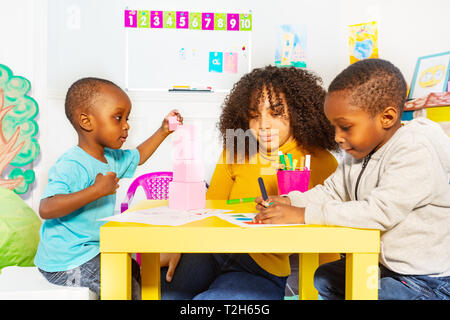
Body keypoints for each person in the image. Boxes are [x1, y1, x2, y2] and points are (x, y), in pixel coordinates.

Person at [254, 58, 450, 300]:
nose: (337, 137)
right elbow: (332, 191)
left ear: (386, 118)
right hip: (383, 265)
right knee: (325, 278)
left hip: (425, 278)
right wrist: (290, 201)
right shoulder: (360, 150)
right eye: (334, 127)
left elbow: (379, 212)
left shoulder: (415, 150)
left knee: (384, 294)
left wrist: (303, 215)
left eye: (345, 127)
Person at [160, 65, 339, 299]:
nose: (263, 125)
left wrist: (332, 287)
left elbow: (331, 239)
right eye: (254, 115)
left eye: (276, 113)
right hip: (208, 251)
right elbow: (208, 210)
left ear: (299, 112)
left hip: (260, 266)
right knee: (163, 294)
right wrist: (179, 245)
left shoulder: (320, 161)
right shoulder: (236, 149)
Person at [34, 77, 183, 299]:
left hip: (92, 251)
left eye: (127, 118)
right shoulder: (72, 164)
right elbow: (46, 208)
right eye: (117, 117)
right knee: (120, 281)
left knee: (131, 268)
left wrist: (163, 131)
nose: (126, 125)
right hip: (65, 261)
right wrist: (95, 190)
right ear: (86, 121)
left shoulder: (110, 158)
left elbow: (139, 156)